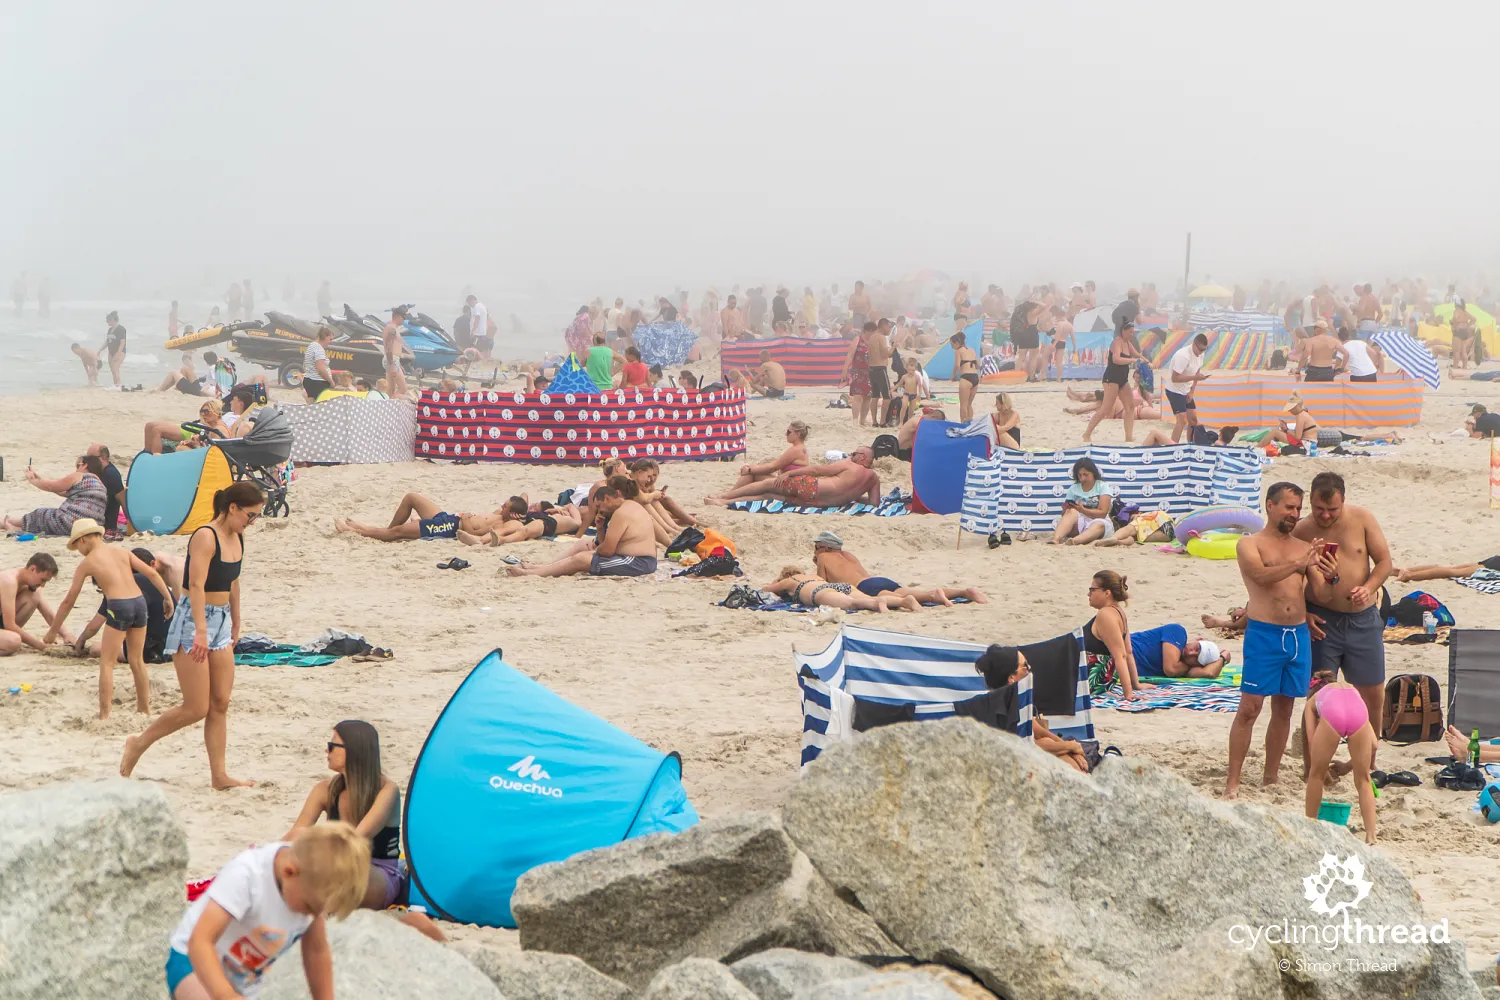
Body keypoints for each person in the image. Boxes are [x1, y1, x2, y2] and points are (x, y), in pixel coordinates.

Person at [122, 482, 265, 790]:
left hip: (221, 619)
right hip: (192, 619)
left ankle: (219, 775)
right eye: (250, 515)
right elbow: (196, 585)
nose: (252, 522)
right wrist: (200, 631)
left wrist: (237, 620)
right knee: (196, 707)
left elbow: (234, 582)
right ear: (233, 508)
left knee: (220, 702)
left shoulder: (238, 536)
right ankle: (138, 743)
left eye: (256, 517)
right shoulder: (205, 536)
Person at [165, 822, 368, 1000]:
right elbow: (200, 941)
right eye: (309, 908)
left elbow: (317, 951)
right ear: (290, 872)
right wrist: (225, 995)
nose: (312, 916)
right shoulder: (247, 875)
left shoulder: (309, 889)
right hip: (192, 961)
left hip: (244, 980)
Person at [284, 720, 446, 941]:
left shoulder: (386, 791)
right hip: (336, 866)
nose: (326, 750)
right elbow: (295, 834)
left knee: (337, 875)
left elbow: (355, 840)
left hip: (376, 871)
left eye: (332, 745)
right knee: (296, 841)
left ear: (353, 751)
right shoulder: (324, 789)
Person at [1224, 482, 1335, 800]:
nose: (1294, 514)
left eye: (1299, 509)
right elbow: (1259, 576)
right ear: (1270, 506)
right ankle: (1233, 781)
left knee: (1285, 709)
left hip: (1298, 635)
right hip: (1264, 633)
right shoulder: (1250, 543)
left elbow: (1322, 593)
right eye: (1289, 507)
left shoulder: (1303, 547)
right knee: (1249, 708)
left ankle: (1270, 777)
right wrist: (1298, 566)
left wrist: (1331, 574)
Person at [1292, 472, 1391, 776]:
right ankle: (1314, 766)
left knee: (1373, 694)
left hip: (1362, 619)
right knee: (1320, 696)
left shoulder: (1361, 519)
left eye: (1332, 510)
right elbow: (1291, 581)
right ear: (1311, 501)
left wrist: (1370, 587)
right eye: (1319, 508)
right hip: (1323, 620)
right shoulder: (1301, 530)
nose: (1324, 515)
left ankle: (1366, 760)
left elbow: (1384, 562)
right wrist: (1303, 613)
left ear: (1343, 501)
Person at [41, 520, 173, 719]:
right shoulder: (122, 551)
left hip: (119, 605)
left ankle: (104, 715)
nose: (79, 551)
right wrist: (167, 597)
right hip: (138, 602)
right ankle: (144, 709)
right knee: (137, 661)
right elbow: (152, 573)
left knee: (107, 663)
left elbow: (69, 600)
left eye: (77, 546)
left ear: (83, 539)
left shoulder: (88, 562)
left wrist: (53, 631)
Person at [506, 477, 658, 578]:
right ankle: (541, 567)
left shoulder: (621, 513)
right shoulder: (628, 507)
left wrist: (594, 550)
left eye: (600, 506)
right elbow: (606, 546)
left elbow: (607, 550)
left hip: (638, 562)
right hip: (634, 558)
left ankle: (537, 573)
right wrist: (599, 529)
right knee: (583, 546)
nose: (600, 511)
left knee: (582, 558)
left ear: (608, 498)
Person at [974, 646, 1090, 771]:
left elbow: (1041, 732)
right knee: (1049, 744)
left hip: (1030, 758)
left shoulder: (1015, 701)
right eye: (1025, 667)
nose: (1030, 669)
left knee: (1048, 741)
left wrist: (1073, 750)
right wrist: (1069, 746)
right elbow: (1028, 745)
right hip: (1011, 767)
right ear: (1011, 678)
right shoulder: (999, 711)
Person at [1301, 671, 1378, 846]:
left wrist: (1323, 766)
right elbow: (1374, 745)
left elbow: (1312, 744)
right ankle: (1371, 836)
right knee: (1364, 779)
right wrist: (1348, 766)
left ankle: (1310, 826)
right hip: (1358, 713)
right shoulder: (1352, 690)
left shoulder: (1313, 701)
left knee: (1315, 776)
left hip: (1332, 715)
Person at [811, 531, 987, 605]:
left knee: (906, 598)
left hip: (865, 588)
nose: (815, 551)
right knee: (908, 591)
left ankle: (933, 596)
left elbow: (822, 584)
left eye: (817, 547)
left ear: (826, 548)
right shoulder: (848, 555)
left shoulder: (824, 557)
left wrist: (818, 561)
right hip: (877, 580)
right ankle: (964, 592)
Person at [704, 447, 881, 508]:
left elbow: (815, 470)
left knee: (768, 484)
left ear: (863, 457)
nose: (851, 455)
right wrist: (852, 496)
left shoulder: (850, 465)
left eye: (855, 453)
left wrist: (790, 473)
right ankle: (725, 503)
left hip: (811, 488)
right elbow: (874, 503)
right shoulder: (873, 479)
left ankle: (723, 498)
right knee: (769, 496)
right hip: (819, 503)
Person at [333, 492, 508, 543]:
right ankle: (384, 531)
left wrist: (467, 519)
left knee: (400, 532)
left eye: (506, 506)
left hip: (451, 528)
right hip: (449, 518)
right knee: (411, 498)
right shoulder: (499, 514)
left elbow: (473, 535)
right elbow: (524, 497)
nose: (502, 506)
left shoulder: (506, 524)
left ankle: (356, 531)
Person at [3, 455, 108, 536]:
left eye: (78, 465)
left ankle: (10, 523)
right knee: (45, 516)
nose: (76, 469)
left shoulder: (80, 476)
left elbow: (51, 486)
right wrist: (39, 479)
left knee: (40, 514)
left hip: (71, 522)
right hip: (90, 527)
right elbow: (61, 490)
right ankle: (11, 523)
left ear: (85, 465)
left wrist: (32, 480)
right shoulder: (101, 485)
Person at [1080, 570, 1143, 699]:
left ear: (1107, 593)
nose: (1088, 594)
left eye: (1092, 590)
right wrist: (1136, 684)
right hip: (1103, 682)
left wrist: (1128, 694)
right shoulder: (1119, 612)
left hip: (1087, 680)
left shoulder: (1105, 614)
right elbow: (1128, 652)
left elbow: (1120, 655)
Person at [763, 566, 918, 613]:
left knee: (852, 604)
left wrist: (778, 580)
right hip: (839, 586)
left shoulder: (790, 581)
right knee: (864, 597)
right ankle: (904, 601)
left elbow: (767, 589)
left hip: (819, 592)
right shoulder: (812, 575)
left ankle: (880, 603)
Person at [1082, 322, 1141, 443]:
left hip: (1123, 379)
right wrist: (1133, 360)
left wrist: (1147, 362)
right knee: (1106, 409)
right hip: (1111, 379)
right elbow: (1116, 359)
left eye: (1133, 332)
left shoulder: (1128, 344)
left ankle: (1128, 436)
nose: (1132, 334)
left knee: (1130, 407)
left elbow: (1138, 356)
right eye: (1130, 332)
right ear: (1123, 331)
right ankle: (1086, 434)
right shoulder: (1116, 342)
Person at [713, 422, 810, 494]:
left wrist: (750, 470)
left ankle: (730, 494)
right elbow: (776, 466)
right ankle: (732, 493)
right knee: (753, 469)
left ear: (797, 434)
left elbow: (773, 467)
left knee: (751, 473)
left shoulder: (795, 450)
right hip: (793, 484)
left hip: (790, 486)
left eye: (789, 432)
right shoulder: (801, 448)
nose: (786, 434)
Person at [0, 554, 65, 656]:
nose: (43, 585)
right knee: (14, 641)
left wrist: (67, 636)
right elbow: (10, 624)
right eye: (43, 580)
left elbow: (49, 615)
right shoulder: (9, 581)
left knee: (34, 596)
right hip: (7, 625)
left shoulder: (30, 586)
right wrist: (40, 646)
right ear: (33, 569)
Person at [462, 497, 582, 547]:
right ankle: (480, 540)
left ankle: (501, 541)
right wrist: (556, 509)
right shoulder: (546, 511)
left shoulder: (569, 520)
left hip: (547, 523)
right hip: (527, 519)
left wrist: (563, 510)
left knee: (524, 531)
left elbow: (572, 508)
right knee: (506, 528)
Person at [1049, 458, 1114, 545]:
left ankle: (1075, 541)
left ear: (1093, 473)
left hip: (1099, 520)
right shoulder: (1074, 488)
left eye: (1085, 475)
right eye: (1080, 475)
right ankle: (1056, 539)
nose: (1083, 478)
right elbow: (1066, 513)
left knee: (1098, 525)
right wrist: (1067, 509)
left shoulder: (1102, 486)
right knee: (1071, 512)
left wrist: (1083, 510)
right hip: (1080, 520)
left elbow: (1103, 512)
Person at [1129, 624, 1227, 679]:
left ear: (1198, 665)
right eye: (1196, 648)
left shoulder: (1183, 667)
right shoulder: (1177, 632)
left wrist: (1223, 659)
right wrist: (1191, 667)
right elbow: (1171, 669)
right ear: (1198, 640)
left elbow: (1209, 673)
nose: (1190, 653)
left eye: (1196, 658)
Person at [1165, 334, 1211, 442]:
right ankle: (1173, 447)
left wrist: (1192, 392)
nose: (1201, 352)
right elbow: (1175, 378)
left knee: (1193, 420)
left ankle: (1190, 445)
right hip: (1174, 390)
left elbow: (1197, 372)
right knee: (1181, 420)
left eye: (1204, 349)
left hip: (1186, 389)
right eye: (1200, 349)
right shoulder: (1183, 356)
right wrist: (1195, 377)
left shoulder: (1201, 354)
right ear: (1194, 344)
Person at [143, 399, 230, 455]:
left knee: (181, 448)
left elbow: (213, 453)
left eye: (206, 411)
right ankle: (149, 455)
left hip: (214, 461)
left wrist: (195, 445)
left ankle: (156, 460)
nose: (203, 414)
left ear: (217, 412)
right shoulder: (215, 428)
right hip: (212, 457)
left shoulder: (218, 429)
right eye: (202, 412)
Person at [947, 392, 1021, 449]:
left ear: (1003, 404)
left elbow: (1005, 428)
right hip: (1003, 444)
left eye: (997, 403)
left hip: (1014, 446)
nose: (995, 405)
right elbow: (985, 420)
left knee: (993, 428)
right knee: (988, 425)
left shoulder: (1014, 415)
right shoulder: (998, 415)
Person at [86, 443, 128, 536]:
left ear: (103, 458)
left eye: (91, 459)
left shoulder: (110, 474)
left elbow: (122, 500)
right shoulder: (99, 472)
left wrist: (131, 524)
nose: (87, 462)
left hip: (104, 525)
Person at [840, 322, 874, 426]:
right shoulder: (857, 340)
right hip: (858, 371)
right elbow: (850, 356)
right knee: (857, 396)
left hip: (871, 372)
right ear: (867, 331)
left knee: (868, 397)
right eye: (872, 332)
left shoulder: (873, 342)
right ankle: (855, 420)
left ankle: (862, 420)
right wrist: (845, 370)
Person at [948, 330, 980, 422]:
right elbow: (978, 365)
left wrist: (953, 376)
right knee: (969, 404)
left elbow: (957, 365)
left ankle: (963, 424)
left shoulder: (958, 351)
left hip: (966, 378)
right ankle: (970, 423)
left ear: (957, 343)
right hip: (975, 377)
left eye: (952, 344)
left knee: (963, 405)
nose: (952, 347)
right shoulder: (972, 350)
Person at [381, 305, 411, 397]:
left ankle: (388, 406)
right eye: (403, 317)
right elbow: (389, 348)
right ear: (397, 316)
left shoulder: (393, 328)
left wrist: (398, 363)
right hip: (392, 360)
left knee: (390, 389)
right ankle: (391, 403)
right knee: (403, 389)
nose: (404, 320)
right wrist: (393, 364)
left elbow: (394, 347)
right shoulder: (392, 329)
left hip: (394, 359)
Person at [866, 320, 893, 424]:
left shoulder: (872, 337)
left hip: (872, 368)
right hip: (880, 368)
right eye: (889, 327)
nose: (889, 330)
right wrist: (893, 347)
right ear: (883, 326)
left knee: (875, 395)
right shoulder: (881, 337)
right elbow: (885, 354)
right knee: (887, 396)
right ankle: (882, 421)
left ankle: (874, 421)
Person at [302, 326, 335, 401]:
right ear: (325, 337)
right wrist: (331, 381)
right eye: (330, 339)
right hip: (318, 382)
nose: (330, 341)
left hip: (309, 379)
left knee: (312, 405)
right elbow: (320, 368)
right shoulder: (318, 349)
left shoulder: (311, 345)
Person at [100, 311, 127, 387]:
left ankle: (118, 385)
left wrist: (118, 353)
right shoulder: (110, 330)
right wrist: (100, 350)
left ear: (112, 320)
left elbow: (122, 342)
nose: (107, 322)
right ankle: (116, 385)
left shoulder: (121, 329)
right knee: (112, 369)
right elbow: (107, 341)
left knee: (115, 368)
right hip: (111, 352)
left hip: (119, 352)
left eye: (107, 321)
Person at [1449, 298, 1477, 372]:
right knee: (1463, 350)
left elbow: (1455, 318)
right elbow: (1474, 319)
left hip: (1458, 331)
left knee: (1456, 351)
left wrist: (1454, 325)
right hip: (1465, 331)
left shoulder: (1456, 311)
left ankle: (1455, 366)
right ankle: (1464, 367)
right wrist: (1467, 325)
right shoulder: (1465, 312)